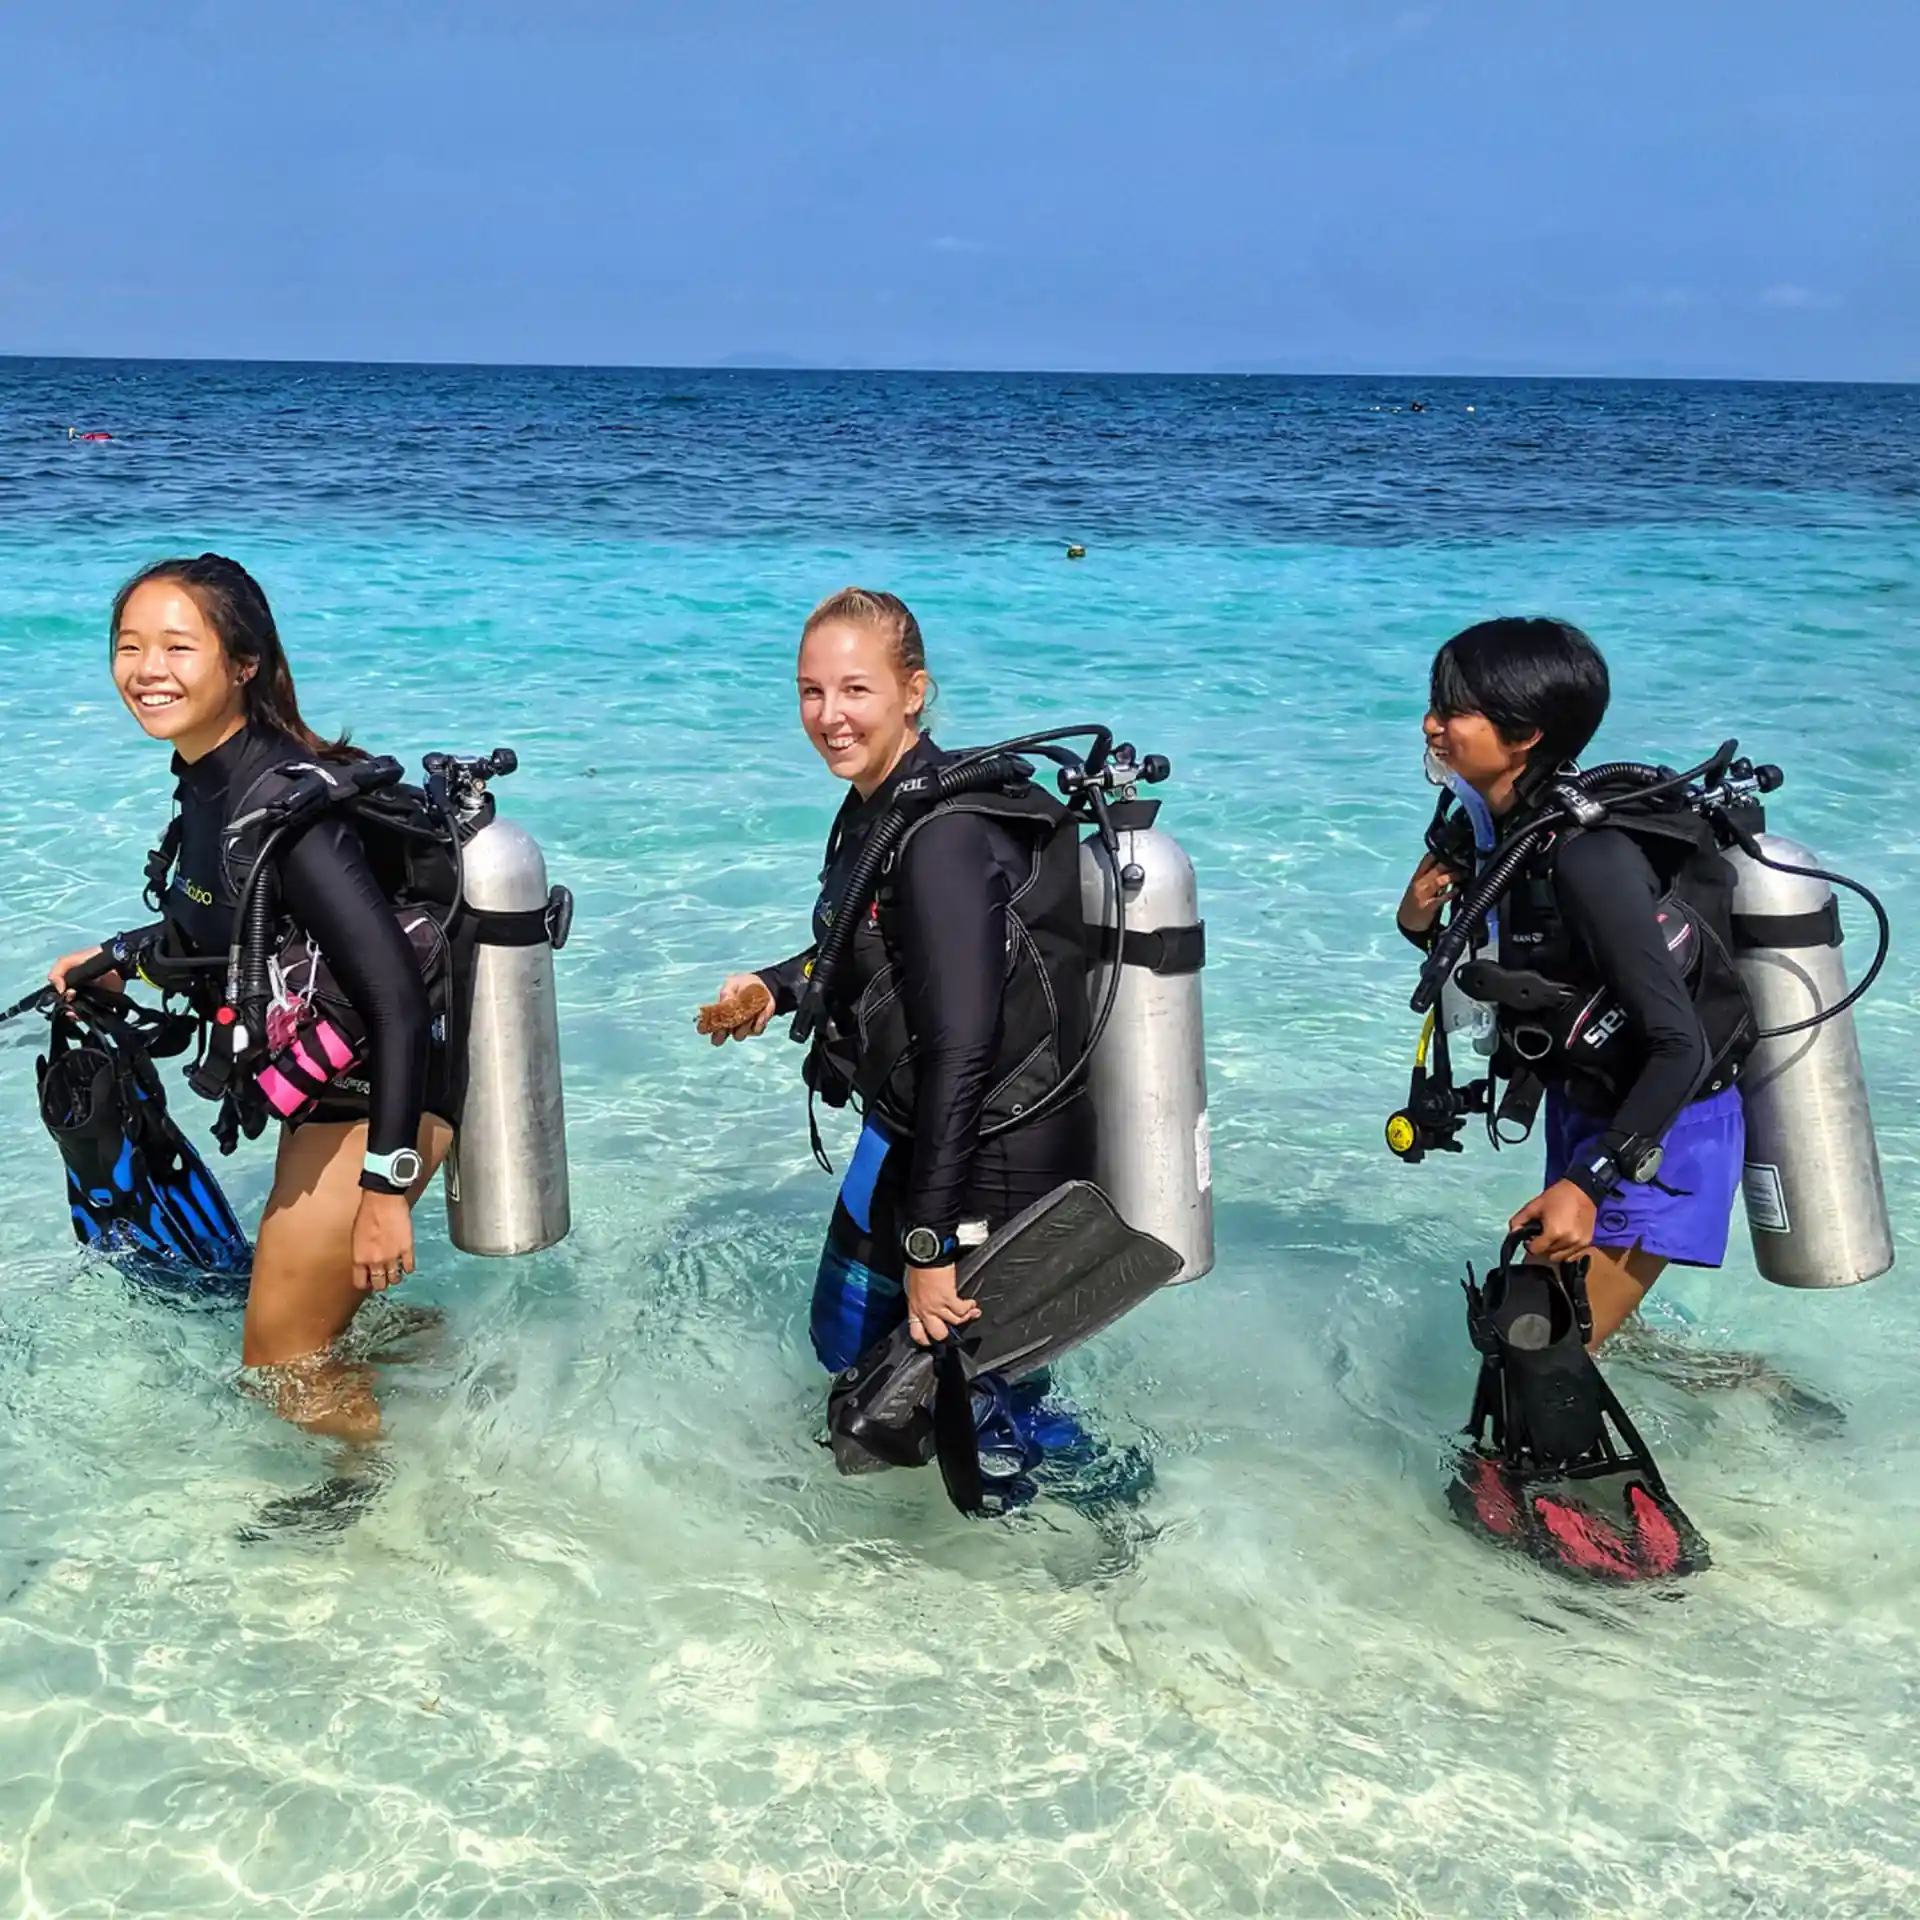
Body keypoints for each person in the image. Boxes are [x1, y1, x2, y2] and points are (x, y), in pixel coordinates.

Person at [700, 587, 1140, 1503]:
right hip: (907, 1134)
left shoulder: (943, 836)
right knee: (855, 1358)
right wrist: (775, 987)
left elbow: (961, 1048)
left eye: (855, 690)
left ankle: (1096, 1536)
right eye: (810, 692)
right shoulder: (885, 805)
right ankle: (898, 1548)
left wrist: (932, 1243)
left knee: (968, 1396)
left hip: (987, 1153)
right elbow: (880, 943)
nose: (828, 716)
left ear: (914, 692)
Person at [47, 555, 457, 1441]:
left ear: (243, 664)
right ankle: (450, 1388)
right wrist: (120, 960)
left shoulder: (293, 815)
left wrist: (384, 1191)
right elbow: (226, 933)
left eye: (176, 646)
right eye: (129, 645)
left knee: (280, 1368)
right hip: (332, 1091)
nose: (147, 669)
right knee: (307, 1339)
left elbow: (392, 1001)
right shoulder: (205, 782)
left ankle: (369, 1522)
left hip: (381, 1099)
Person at [1396, 617, 1751, 1350]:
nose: (1431, 724)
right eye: (1434, 701)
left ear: (1524, 736)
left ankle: (1507, 1472)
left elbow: (1678, 1044)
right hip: (1587, 1104)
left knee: (1533, 1356)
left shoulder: (1590, 858)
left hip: (1663, 1128)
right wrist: (1416, 919)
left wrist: (1589, 1181)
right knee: (1581, 1333)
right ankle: (1737, 1385)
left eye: (1454, 709)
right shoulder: (1496, 829)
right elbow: (1495, 956)